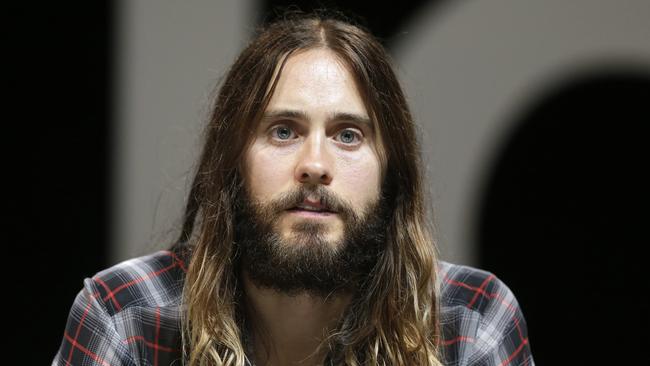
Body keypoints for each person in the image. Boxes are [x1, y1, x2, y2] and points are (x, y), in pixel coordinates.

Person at [53, 13, 534, 366]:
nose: (315, 165)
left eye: (349, 135)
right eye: (284, 131)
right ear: (231, 162)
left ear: (393, 172)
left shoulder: (471, 321)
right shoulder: (126, 315)